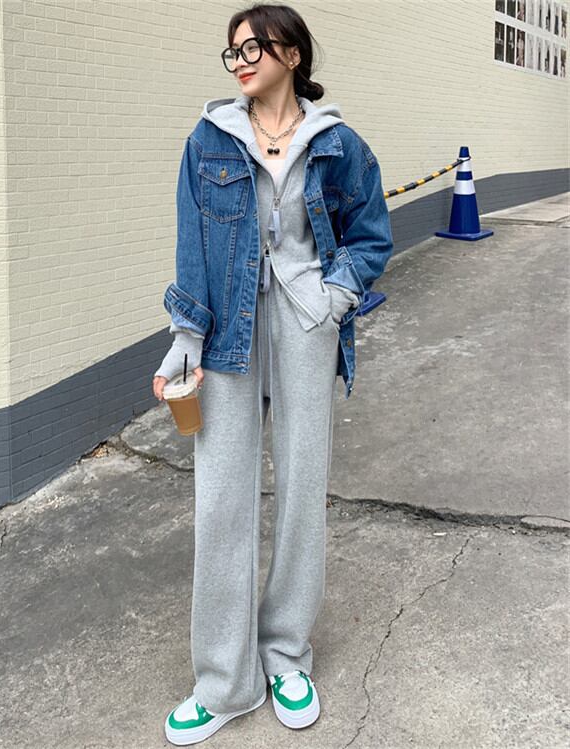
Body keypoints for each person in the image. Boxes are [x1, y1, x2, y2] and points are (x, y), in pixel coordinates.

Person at [153, 4, 394, 745]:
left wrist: (334, 298)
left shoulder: (338, 143)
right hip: (225, 329)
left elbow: (370, 235)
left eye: (252, 47)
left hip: (305, 325)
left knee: (300, 491)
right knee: (222, 499)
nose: (240, 62)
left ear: (291, 52)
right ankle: (224, 681)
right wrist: (184, 337)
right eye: (232, 52)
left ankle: (287, 654)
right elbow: (191, 241)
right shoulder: (209, 138)